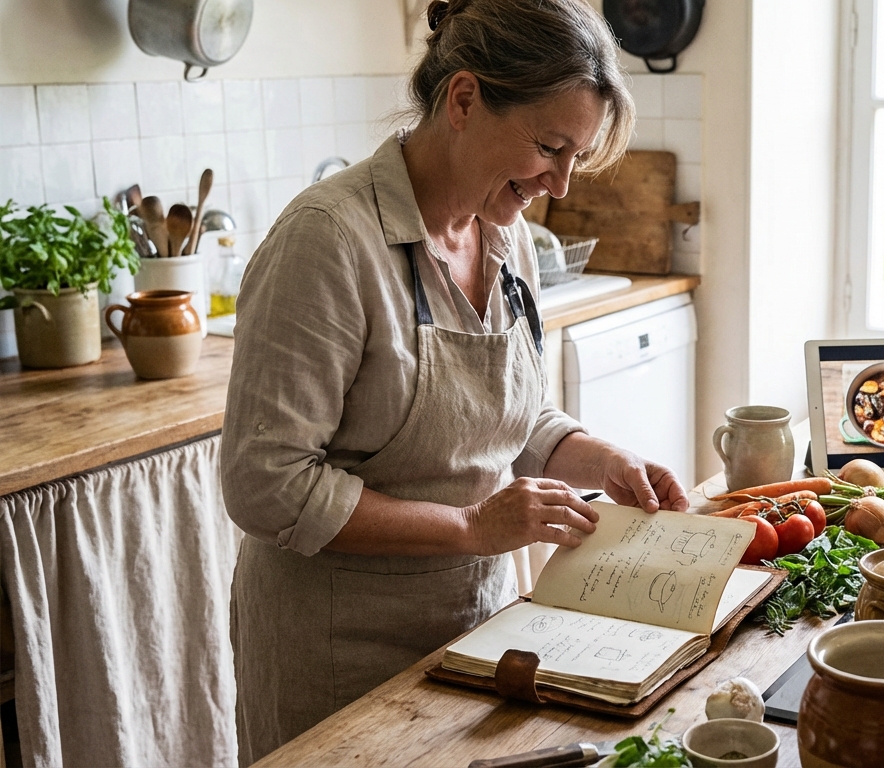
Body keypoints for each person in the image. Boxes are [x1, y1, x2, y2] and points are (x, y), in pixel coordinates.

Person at [219, 0, 689, 760]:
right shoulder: (329, 241)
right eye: (549, 147)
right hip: (339, 651)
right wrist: (475, 529)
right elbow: (266, 484)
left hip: (483, 633)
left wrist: (599, 460)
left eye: (577, 157)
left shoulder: (510, 237)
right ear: (464, 99)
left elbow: (511, 411)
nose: (562, 185)